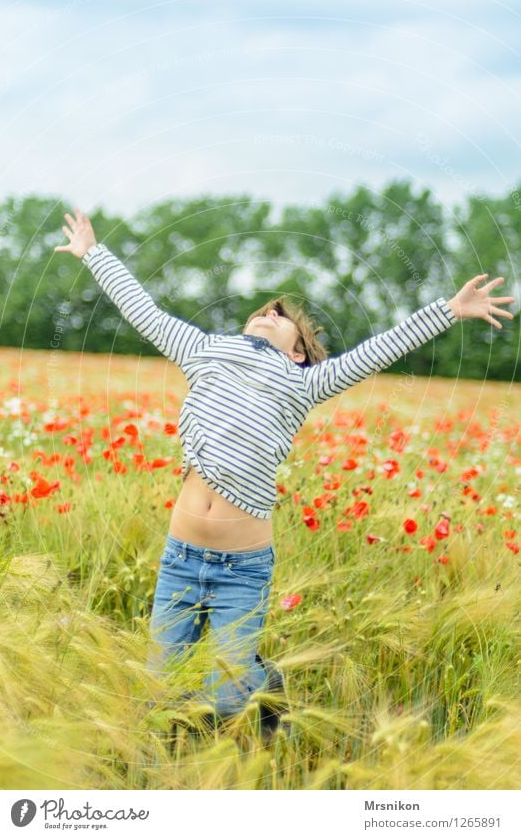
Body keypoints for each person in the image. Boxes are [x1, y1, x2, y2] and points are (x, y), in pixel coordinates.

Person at [54, 208, 516, 735]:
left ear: (299, 354)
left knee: (227, 699)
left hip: (242, 569)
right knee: (163, 685)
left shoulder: (303, 384)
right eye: (262, 312)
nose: (268, 313)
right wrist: (93, 250)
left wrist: (450, 310)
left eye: (280, 317)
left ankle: (259, 683)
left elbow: (375, 351)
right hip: (180, 557)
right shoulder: (205, 352)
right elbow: (143, 309)